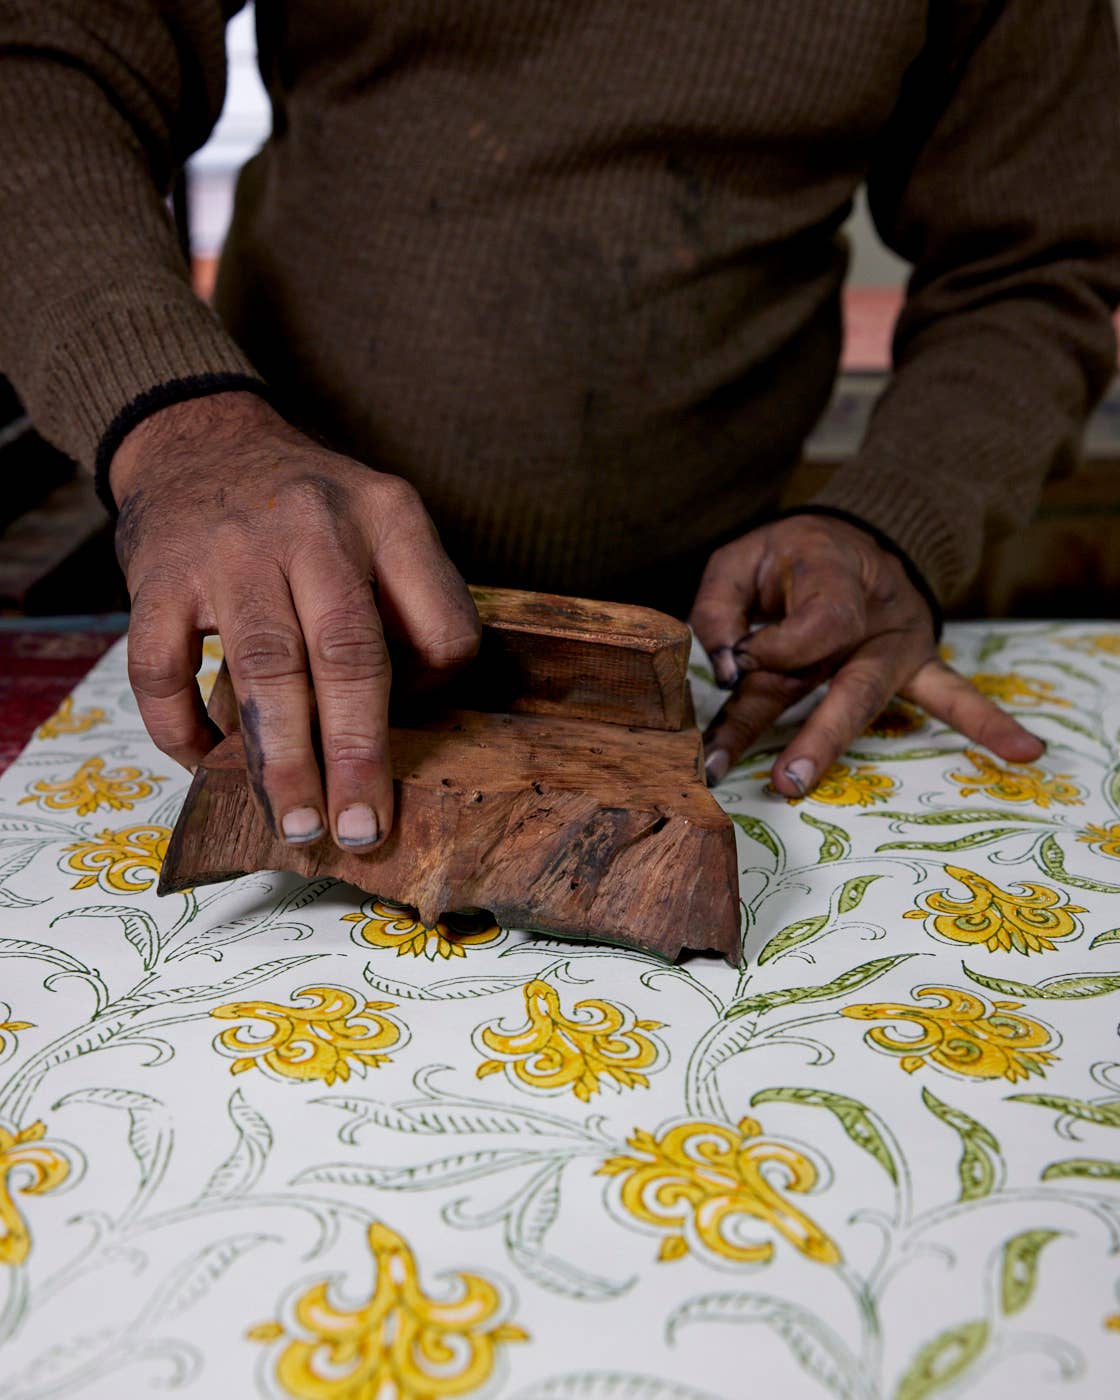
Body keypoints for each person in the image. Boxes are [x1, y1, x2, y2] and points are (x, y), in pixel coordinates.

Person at [2, 2, 1118, 856]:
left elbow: (1039, 257)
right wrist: (182, 429)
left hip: (713, 652)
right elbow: (40, 58)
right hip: (256, 583)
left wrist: (899, 519)